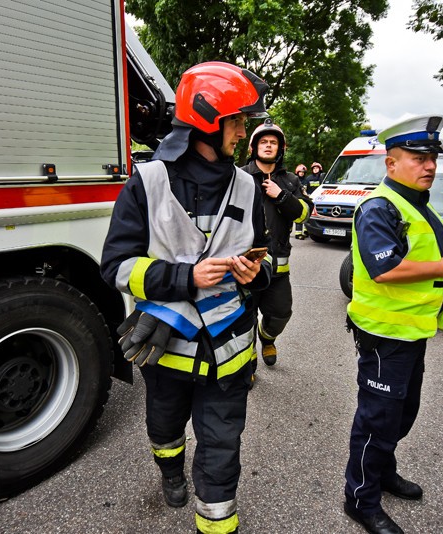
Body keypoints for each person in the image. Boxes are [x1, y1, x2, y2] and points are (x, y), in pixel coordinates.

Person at [100, 61, 273, 534]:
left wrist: (256, 272)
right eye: (237, 121)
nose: (243, 131)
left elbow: (268, 260)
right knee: (164, 426)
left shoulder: (247, 185)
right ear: (207, 120)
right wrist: (184, 277)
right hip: (167, 347)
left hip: (230, 349)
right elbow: (116, 266)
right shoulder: (148, 182)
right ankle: (170, 472)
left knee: (222, 445)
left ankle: (216, 524)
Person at [342, 115, 443, 534]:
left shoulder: (416, 205)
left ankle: (382, 473)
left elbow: (420, 255)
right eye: (418, 157)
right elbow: (383, 269)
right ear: (391, 164)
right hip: (384, 334)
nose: (429, 166)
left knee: (402, 413)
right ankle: (360, 500)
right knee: (377, 421)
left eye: (432, 158)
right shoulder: (380, 207)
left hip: (411, 331)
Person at [241, 119, 312, 367]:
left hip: (279, 270)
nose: (269, 146)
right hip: (246, 267)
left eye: (273, 142)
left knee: (281, 314)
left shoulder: (291, 181)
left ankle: (267, 337)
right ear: (254, 147)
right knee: (243, 318)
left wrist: (281, 196)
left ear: (280, 149)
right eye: (264, 142)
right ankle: (248, 362)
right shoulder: (239, 177)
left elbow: (304, 214)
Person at [293, 164, 308, 239]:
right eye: (300, 172)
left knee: (306, 215)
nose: (301, 173)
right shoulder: (295, 180)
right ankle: (298, 233)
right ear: (297, 172)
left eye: (303, 172)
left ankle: (306, 231)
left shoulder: (306, 180)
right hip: (297, 199)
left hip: (305, 199)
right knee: (299, 215)